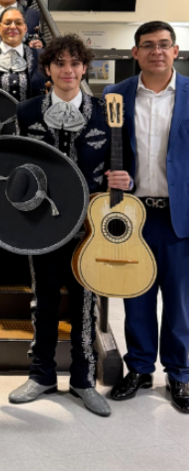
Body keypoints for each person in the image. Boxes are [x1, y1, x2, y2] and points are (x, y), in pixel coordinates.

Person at [10, 34, 126, 417]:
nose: (68, 70)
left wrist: (123, 180)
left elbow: (123, 170)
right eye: (60, 63)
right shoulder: (25, 113)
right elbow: (14, 168)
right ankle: (41, 374)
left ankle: (82, 380)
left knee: (84, 306)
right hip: (41, 226)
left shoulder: (104, 113)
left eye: (75, 63)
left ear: (84, 68)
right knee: (43, 303)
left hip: (88, 230)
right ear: (47, 69)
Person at [105, 21, 189, 414]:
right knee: (135, 297)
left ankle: (181, 374)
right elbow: (103, 150)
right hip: (133, 217)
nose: (157, 51)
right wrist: (109, 175)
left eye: (164, 45)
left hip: (180, 218)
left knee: (180, 302)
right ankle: (138, 369)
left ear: (176, 51)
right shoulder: (115, 95)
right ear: (135, 53)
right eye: (147, 45)